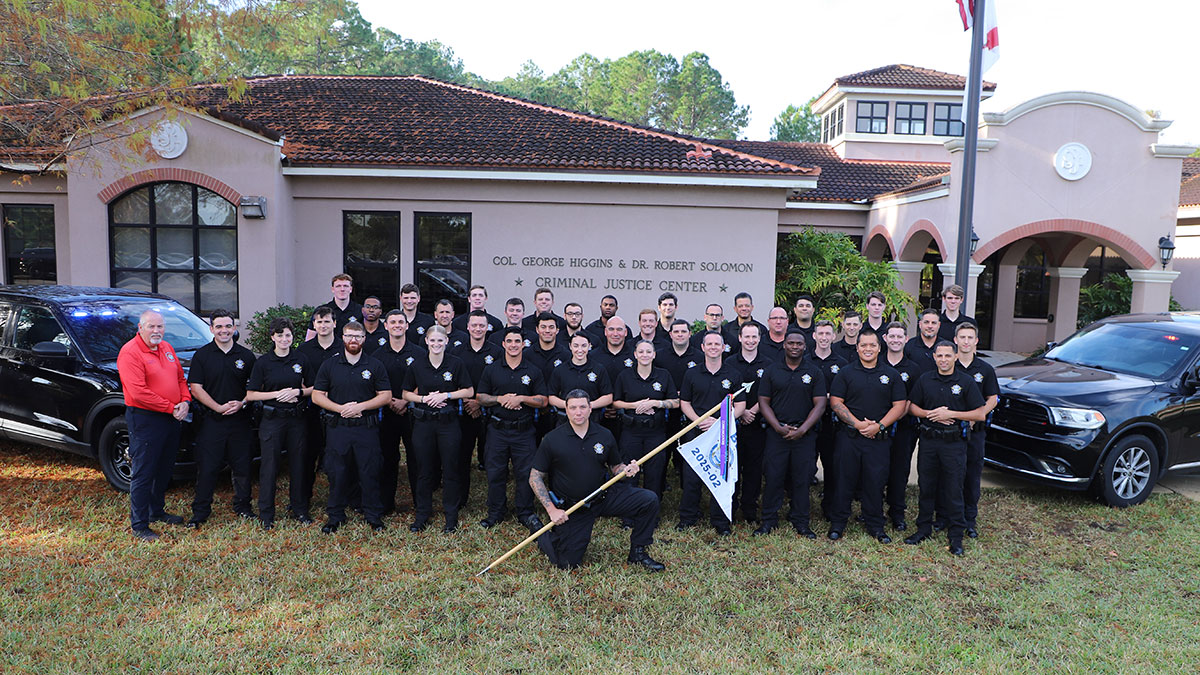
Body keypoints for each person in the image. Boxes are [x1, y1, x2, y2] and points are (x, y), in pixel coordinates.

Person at [529, 390, 665, 571]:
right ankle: (541, 532)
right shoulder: (552, 439)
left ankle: (638, 553)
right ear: (566, 410)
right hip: (574, 507)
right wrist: (551, 509)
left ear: (590, 408)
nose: (579, 412)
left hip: (603, 497)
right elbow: (535, 476)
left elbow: (616, 466)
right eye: (573, 408)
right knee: (567, 563)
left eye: (583, 407)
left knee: (648, 500)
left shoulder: (604, 434)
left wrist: (626, 470)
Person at [904, 340, 988, 556]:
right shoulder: (925, 379)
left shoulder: (966, 382)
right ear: (934, 357)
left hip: (954, 444)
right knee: (927, 486)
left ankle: (956, 535)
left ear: (955, 357)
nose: (943, 360)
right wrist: (930, 414)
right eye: (939, 356)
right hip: (929, 442)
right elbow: (912, 406)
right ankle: (923, 529)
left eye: (947, 356)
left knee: (953, 489)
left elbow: (980, 414)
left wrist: (951, 414)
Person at [311, 320, 392, 533]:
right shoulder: (330, 365)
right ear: (342, 338)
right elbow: (317, 395)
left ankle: (373, 516)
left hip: (366, 428)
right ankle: (335, 516)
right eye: (349, 336)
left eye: (357, 336)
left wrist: (361, 407)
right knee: (337, 472)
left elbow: (386, 395)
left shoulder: (375, 365)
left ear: (364, 339)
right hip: (338, 428)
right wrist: (340, 409)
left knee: (369, 471)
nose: (353, 340)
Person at [117, 309, 191, 542]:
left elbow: (180, 378)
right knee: (144, 472)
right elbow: (139, 393)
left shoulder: (166, 348)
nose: (157, 331)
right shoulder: (130, 353)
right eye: (151, 326)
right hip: (146, 418)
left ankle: (156, 511)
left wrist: (185, 401)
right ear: (140, 328)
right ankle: (140, 524)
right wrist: (172, 407)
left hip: (172, 416)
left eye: (160, 326)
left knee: (164, 468)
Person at [827, 329, 907, 543]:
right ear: (857, 347)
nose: (868, 349)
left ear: (879, 348)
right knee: (843, 480)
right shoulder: (846, 372)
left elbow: (900, 405)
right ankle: (838, 524)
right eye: (864, 345)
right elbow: (836, 402)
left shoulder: (891, 374)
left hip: (878, 440)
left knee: (875, 482)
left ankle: (875, 525)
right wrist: (858, 424)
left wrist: (879, 426)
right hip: (849, 437)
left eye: (872, 345)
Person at [187, 309, 257, 528]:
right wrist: (217, 407)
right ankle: (200, 513)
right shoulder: (202, 355)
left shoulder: (246, 356)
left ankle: (243, 507)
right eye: (219, 326)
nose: (224, 330)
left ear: (234, 328)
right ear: (211, 329)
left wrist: (242, 403)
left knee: (243, 468)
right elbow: (195, 388)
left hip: (240, 421)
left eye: (228, 326)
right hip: (211, 421)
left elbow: (255, 388)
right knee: (208, 468)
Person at [402, 325, 474, 533]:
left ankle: (451, 516)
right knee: (424, 470)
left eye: (440, 341)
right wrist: (424, 398)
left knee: (451, 470)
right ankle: (422, 514)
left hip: (448, 424)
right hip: (424, 423)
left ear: (446, 342)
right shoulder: (417, 365)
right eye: (432, 341)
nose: (436, 344)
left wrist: (446, 395)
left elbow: (469, 390)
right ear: (426, 341)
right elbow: (406, 394)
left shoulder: (456, 363)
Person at [477, 326, 548, 532]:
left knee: (525, 473)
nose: (514, 345)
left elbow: (542, 400)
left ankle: (525, 512)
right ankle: (496, 513)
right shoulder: (492, 369)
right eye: (510, 341)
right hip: (497, 429)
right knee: (496, 472)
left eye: (518, 341)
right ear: (503, 344)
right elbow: (481, 397)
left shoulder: (533, 370)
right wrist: (501, 399)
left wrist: (522, 399)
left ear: (524, 344)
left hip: (524, 431)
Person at [756, 329, 826, 537]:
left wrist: (803, 429)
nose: (795, 347)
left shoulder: (814, 372)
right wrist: (777, 426)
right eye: (791, 343)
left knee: (802, 479)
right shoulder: (772, 370)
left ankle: (801, 522)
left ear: (805, 347)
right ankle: (768, 520)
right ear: (784, 345)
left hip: (805, 436)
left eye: (799, 344)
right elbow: (763, 402)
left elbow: (820, 404)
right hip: (776, 434)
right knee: (773, 478)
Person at [246, 317, 314, 528]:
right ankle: (267, 514)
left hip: (296, 419)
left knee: (298, 465)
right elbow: (251, 394)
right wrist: (278, 394)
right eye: (280, 335)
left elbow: (315, 388)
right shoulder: (263, 363)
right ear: (272, 337)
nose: (284, 339)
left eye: (288, 335)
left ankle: (299, 509)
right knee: (270, 467)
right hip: (272, 420)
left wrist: (298, 392)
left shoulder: (301, 359)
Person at [678, 330, 746, 535]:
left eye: (718, 344)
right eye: (710, 344)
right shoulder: (692, 373)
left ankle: (721, 521)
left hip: (722, 434)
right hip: (696, 431)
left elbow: (741, 405)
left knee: (722, 476)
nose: (714, 347)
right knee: (691, 477)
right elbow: (685, 402)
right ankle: (688, 518)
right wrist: (698, 421)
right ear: (703, 347)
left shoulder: (733, 374)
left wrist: (720, 423)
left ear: (724, 347)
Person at [373, 310, 425, 516]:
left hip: (412, 414)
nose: (396, 325)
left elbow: (425, 380)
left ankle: (420, 505)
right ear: (385, 326)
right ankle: (386, 504)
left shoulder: (419, 353)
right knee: (387, 459)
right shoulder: (377, 356)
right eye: (392, 322)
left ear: (406, 326)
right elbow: (374, 384)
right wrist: (390, 401)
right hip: (386, 414)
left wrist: (406, 400)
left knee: (417, 460)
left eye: (400, 322)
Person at [612, 339, 679, 500]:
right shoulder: (625, 375)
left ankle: (652, 511)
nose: (645, 355)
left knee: (654, 473)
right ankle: (628, 513)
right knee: (629, 471)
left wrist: (656, 403)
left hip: (655, 432)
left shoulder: (663, 375)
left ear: (654, 355)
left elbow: (676, 402)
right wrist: (635, 405)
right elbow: (615, 402)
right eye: (641, 351)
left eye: (648, 352)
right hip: (631, 431)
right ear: (635, 354)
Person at [452, 310, 504, 507]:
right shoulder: (456, 351)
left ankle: (493, 503)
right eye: (474, 325)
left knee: (492, 461)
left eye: (482, 325)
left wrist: (479, 403)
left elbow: (499, 383)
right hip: (462, 413)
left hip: (489, 415)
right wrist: (469, 402)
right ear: (467, 327)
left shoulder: (497, 352)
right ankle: (460, 501)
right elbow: (452, 382)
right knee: (461, 459)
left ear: (488, 327)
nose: (478, 329)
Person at [953, 322, 999, 539]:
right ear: (955, 340)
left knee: (971, 476)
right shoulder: (948, 366)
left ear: (976, 341)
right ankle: (945, 516)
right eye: (962, 337)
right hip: (951, 432)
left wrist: (977, 414)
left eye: (970, 338)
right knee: (950, 476)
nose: (966, 341)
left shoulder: (985, 369)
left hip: (976, 431)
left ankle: (969, 520)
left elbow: (993, 398)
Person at [297, 306, 341, 514]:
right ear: (313, 325)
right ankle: (302, 500)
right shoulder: (304, 351)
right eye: (319, 322)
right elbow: (298, 380)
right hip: (310, 412)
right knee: (307, 457)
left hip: (338, 413)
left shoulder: (344, 348)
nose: (323, 325)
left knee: (338, 458)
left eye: (327, 321)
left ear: (334, 323)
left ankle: (342, 499)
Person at [730, 322, 773, 525]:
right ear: (739, 338)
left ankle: (749, 509)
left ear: (759, 338)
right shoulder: (728, 363)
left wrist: (751, 411)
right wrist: (739, 413)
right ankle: (729, 507)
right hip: (732, 426)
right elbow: (724, 395)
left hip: (757, 424)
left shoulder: (768, 364)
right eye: (746, 337)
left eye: (754, 337)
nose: (750, 340)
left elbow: (769, 393)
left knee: (754, 469)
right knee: (732, 468)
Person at [883, 321, 922, 531]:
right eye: (892, 336)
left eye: (900, 337)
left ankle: (897, 513)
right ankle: (873, 510)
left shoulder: (913, 368)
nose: (896, 340)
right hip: (878, 429)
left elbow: (911, 401)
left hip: (903, 429)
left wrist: (894, 417)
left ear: (906, 340)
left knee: (899, 471)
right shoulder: (876, 362)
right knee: (877, 471)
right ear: (885, 338)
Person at [810, 320, 847, 520]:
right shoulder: (805, 360)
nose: (824, 337)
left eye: (828, 334)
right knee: (805, 467)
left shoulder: (841, 364)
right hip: (808, 423)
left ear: (834, 337)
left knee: (832, 466)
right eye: (820, 333)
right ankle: (801, 507)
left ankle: (830, 508)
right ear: (814, 336)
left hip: (832, 424)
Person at [548, 332, 614, 426]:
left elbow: (608, 397)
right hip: (565, 421)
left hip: (593, 421)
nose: (580, 350)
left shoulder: (599, 369)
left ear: (589, 346)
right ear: (570, 346)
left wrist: (588, 406)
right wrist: (570, 406)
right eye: (576, 346)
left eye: (583, 346)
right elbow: (551, 397)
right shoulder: (560, 370)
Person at [524, 312, 570, 443]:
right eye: (543, 327)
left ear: (557, 330)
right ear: (537, 329)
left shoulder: (566, 355)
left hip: (558, 413)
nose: (547, 331)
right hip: (532, 413)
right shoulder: (527, 355)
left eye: (551, 327)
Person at [306, 273, 362, 340]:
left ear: (351, 289)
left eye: (345, 286)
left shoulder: (360, 310)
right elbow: (310, 337)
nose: (342, 289)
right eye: (338, 286)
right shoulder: (321, 310)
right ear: (333, 289)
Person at [904, 308, 942, 375]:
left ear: (939, 325)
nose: (930, 326)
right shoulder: (909, 345)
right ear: (920, 324)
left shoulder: (945, 347)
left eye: (933, 323)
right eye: (926, 322)